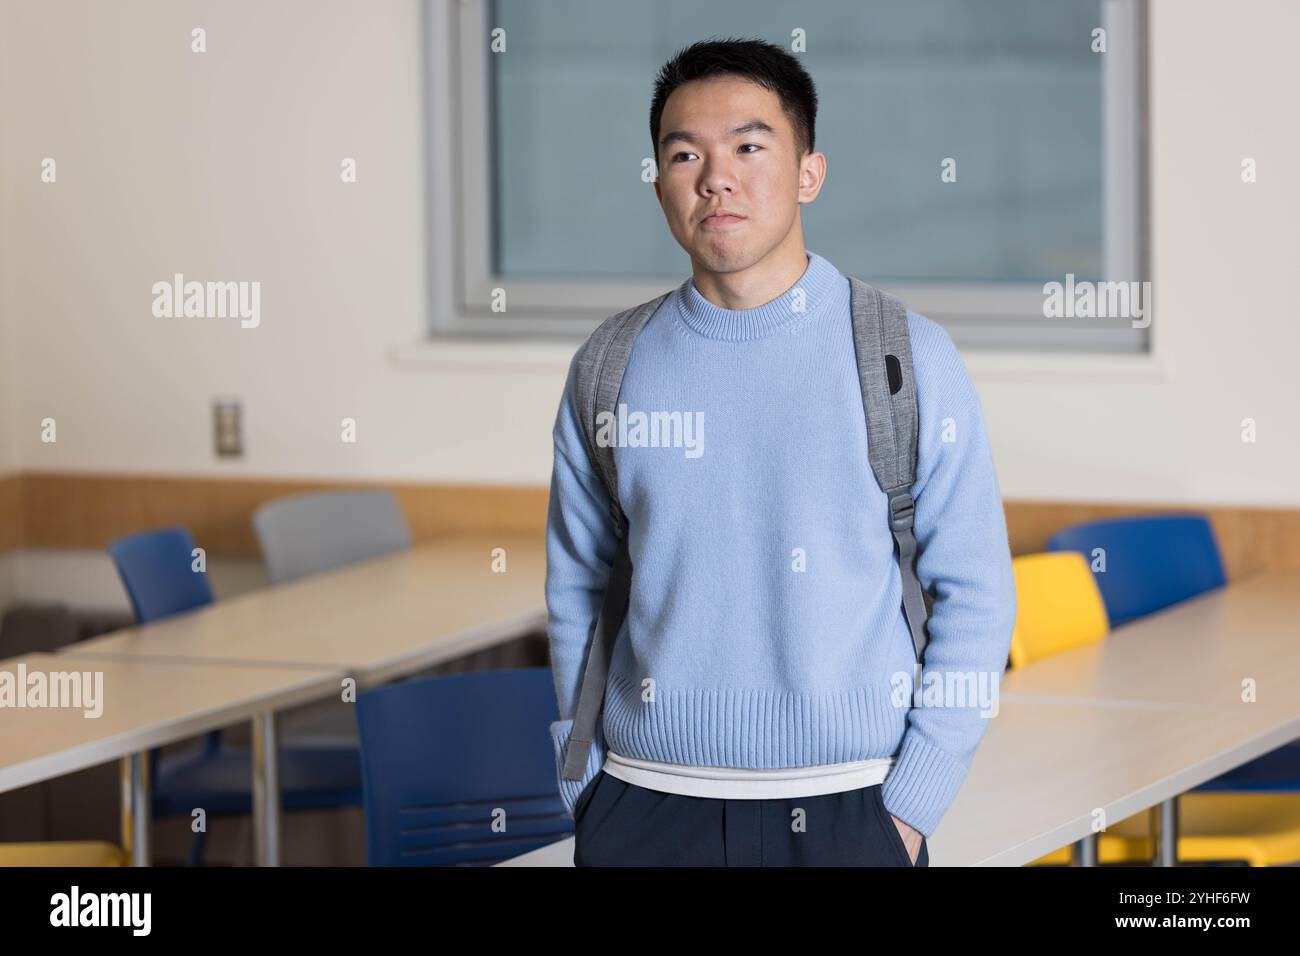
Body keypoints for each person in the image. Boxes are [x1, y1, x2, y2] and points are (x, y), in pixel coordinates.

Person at [545, 37, 1016, 866]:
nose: (715, 177)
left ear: (809, 173)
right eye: (684, 153)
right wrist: (587, 785)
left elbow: (977, 597)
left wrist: (908, 809)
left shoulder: (903, 358)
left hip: (852, 810)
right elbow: (577, 588)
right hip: (645, 806)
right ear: (659, 183)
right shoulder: (610, 365)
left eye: (749, 147)